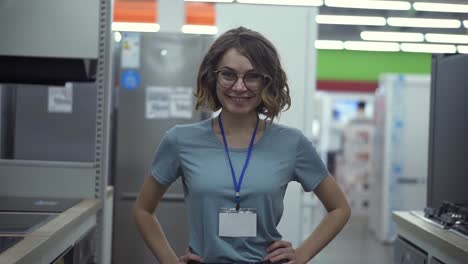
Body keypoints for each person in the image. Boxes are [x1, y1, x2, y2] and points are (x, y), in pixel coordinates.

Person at [133, 26, 351, 264]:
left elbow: (339, 208)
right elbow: (143, 210)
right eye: (228, 74)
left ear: (267, 81)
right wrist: (169, 260)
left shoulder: (292, 144)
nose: (239, 87)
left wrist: (302, 255)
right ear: (212, 77)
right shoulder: (179, 141)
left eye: (252, 76)